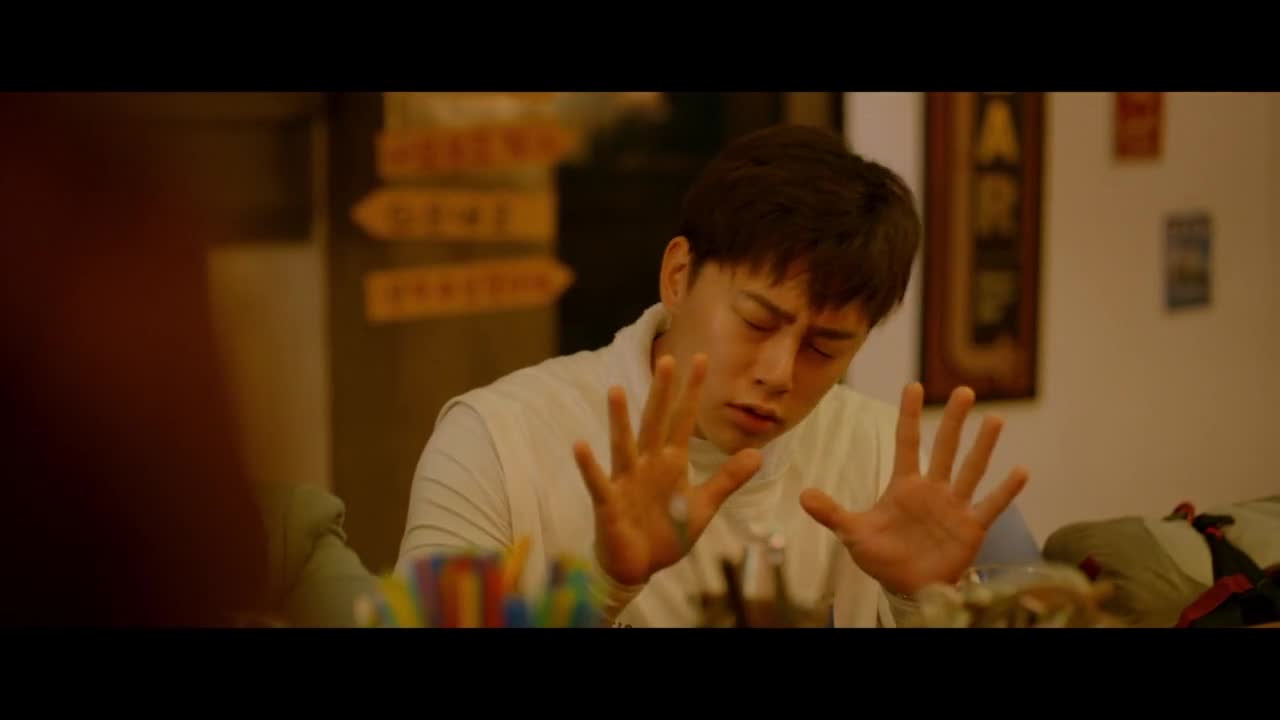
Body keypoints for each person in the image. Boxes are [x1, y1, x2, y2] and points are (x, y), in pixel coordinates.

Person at [397, 124, 1029, 627]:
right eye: (757, 322)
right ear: (678, 277)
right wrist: (603, 589)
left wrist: (926, 605)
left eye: (824, 347)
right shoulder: (497, 441)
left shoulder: (886, 462)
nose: (779, 373)